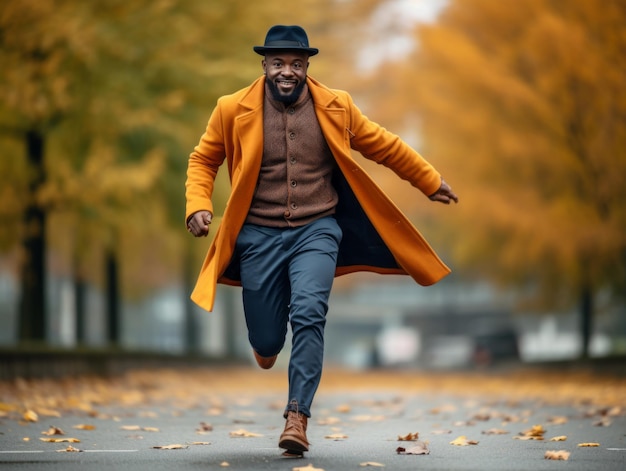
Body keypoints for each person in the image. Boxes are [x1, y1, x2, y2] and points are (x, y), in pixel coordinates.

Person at [185, 24, 458, 456]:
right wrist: (198, 204)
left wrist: (428, 180)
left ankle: (298, 416)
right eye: (278, 64)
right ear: (265, 66)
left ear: (307, 66)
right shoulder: (231, 108)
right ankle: (265, 345)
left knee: (310, 312)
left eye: (295, 64)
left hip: (317, 229)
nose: (286, 72)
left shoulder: (336, 106)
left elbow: (382, 145)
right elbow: (204, 158)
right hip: (258, 235)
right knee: (268, 338)